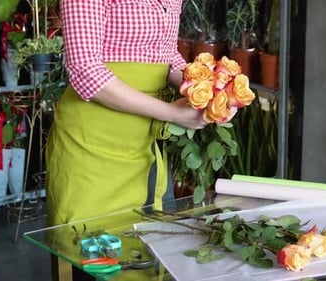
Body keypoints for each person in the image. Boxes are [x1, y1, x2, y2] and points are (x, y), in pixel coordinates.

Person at [45, 0, 206, 279]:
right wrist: (171, 112)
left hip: (142, 141)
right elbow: (85, 70)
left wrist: (207, 91)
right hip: (92, 144)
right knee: (89, 256)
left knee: (141, 253)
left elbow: (166, 56)